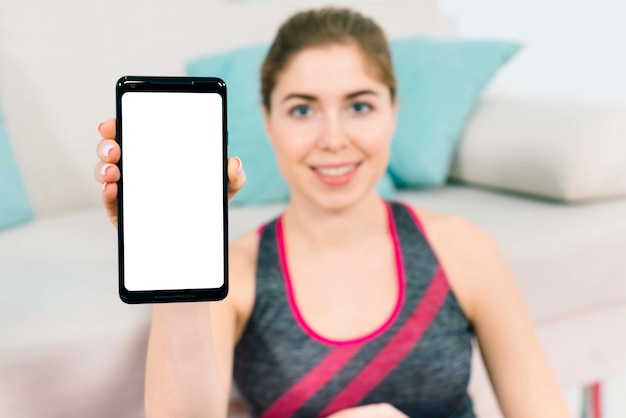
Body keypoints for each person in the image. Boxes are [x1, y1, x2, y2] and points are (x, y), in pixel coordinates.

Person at [95, 7, 571, 418]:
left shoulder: (462, 248)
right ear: (267, 122)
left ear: (393, 111)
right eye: (303, 111)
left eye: (359, 106)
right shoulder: (233, 274)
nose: (333, 139)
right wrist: (177, 247)